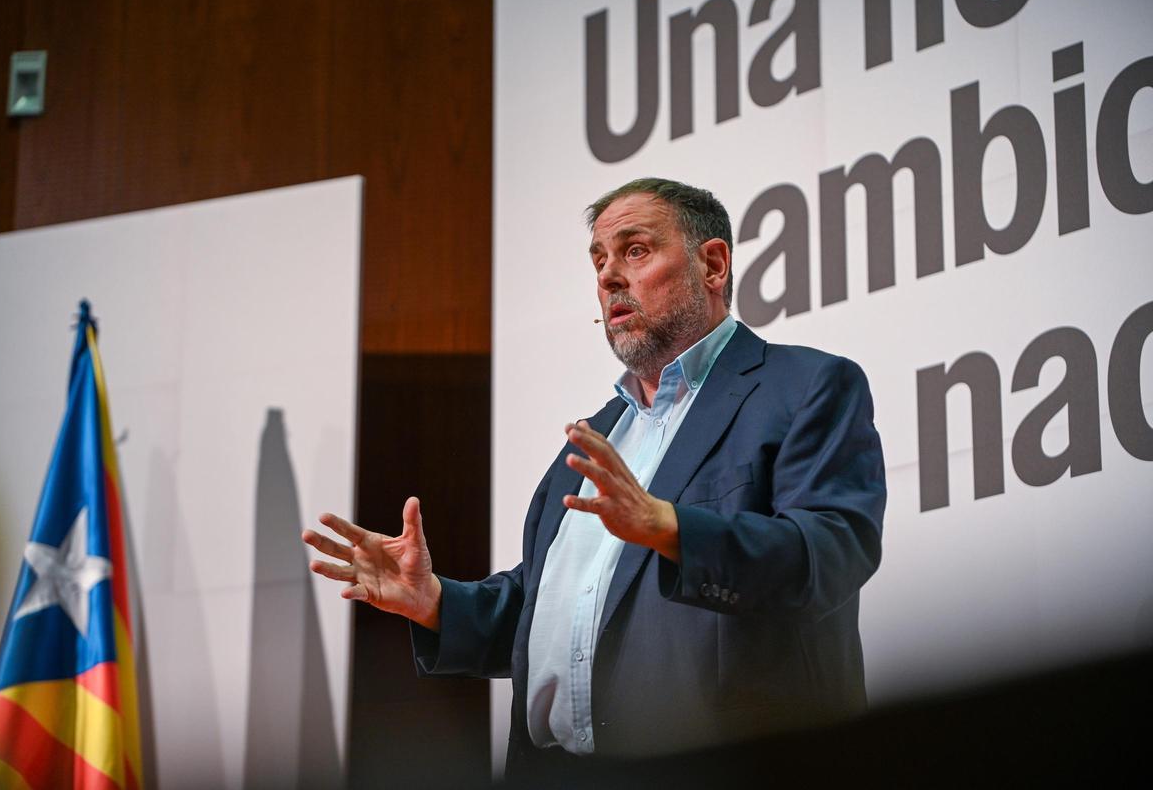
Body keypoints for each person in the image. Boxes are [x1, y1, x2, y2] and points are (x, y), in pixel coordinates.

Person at [302, 178, 886, 778]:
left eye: (635, 251)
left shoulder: (803, 389)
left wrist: (673, 528)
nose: (609, 277)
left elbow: (831, 555)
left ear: (712, 264)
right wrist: (439, 604)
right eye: (599, 260)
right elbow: (551, 607)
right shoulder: (600, 436)